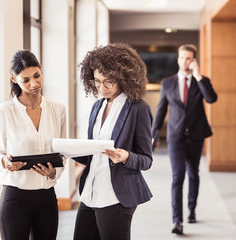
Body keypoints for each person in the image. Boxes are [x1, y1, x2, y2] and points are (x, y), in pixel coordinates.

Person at [72, 43, 153, 240]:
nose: (101, 88)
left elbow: (146, 159)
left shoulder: (137, 109)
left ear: (124, 78)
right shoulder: (97, 107)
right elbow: (94, 153)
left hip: (115, 195)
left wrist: (126, 157)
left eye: (108, 82)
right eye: (97, 81)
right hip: (91, 191)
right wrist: (69, 150)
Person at [0, 50, 66, 240]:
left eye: (37, 76)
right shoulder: (4, 111)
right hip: (15, 198)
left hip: (47, 197)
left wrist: (54, 172)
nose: (34, 84)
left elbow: (63, 151)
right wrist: (5, 163)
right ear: (14, 79)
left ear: (41, 70)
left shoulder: (58, 109)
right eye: (26, 80)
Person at [152, 44, 217, 235]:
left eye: (189, 58)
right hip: (175, 137)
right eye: (182, 58)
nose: (184, 61)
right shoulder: (168, 83)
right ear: (177, 59)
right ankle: (177, 221)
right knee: (177, 176)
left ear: (194, 60)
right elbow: (161, 110)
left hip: (195, 136)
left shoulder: (201, 81)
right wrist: (154, 134)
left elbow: (211, 99)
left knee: (193, 173)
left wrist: (198, 75)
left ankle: (192, 208)